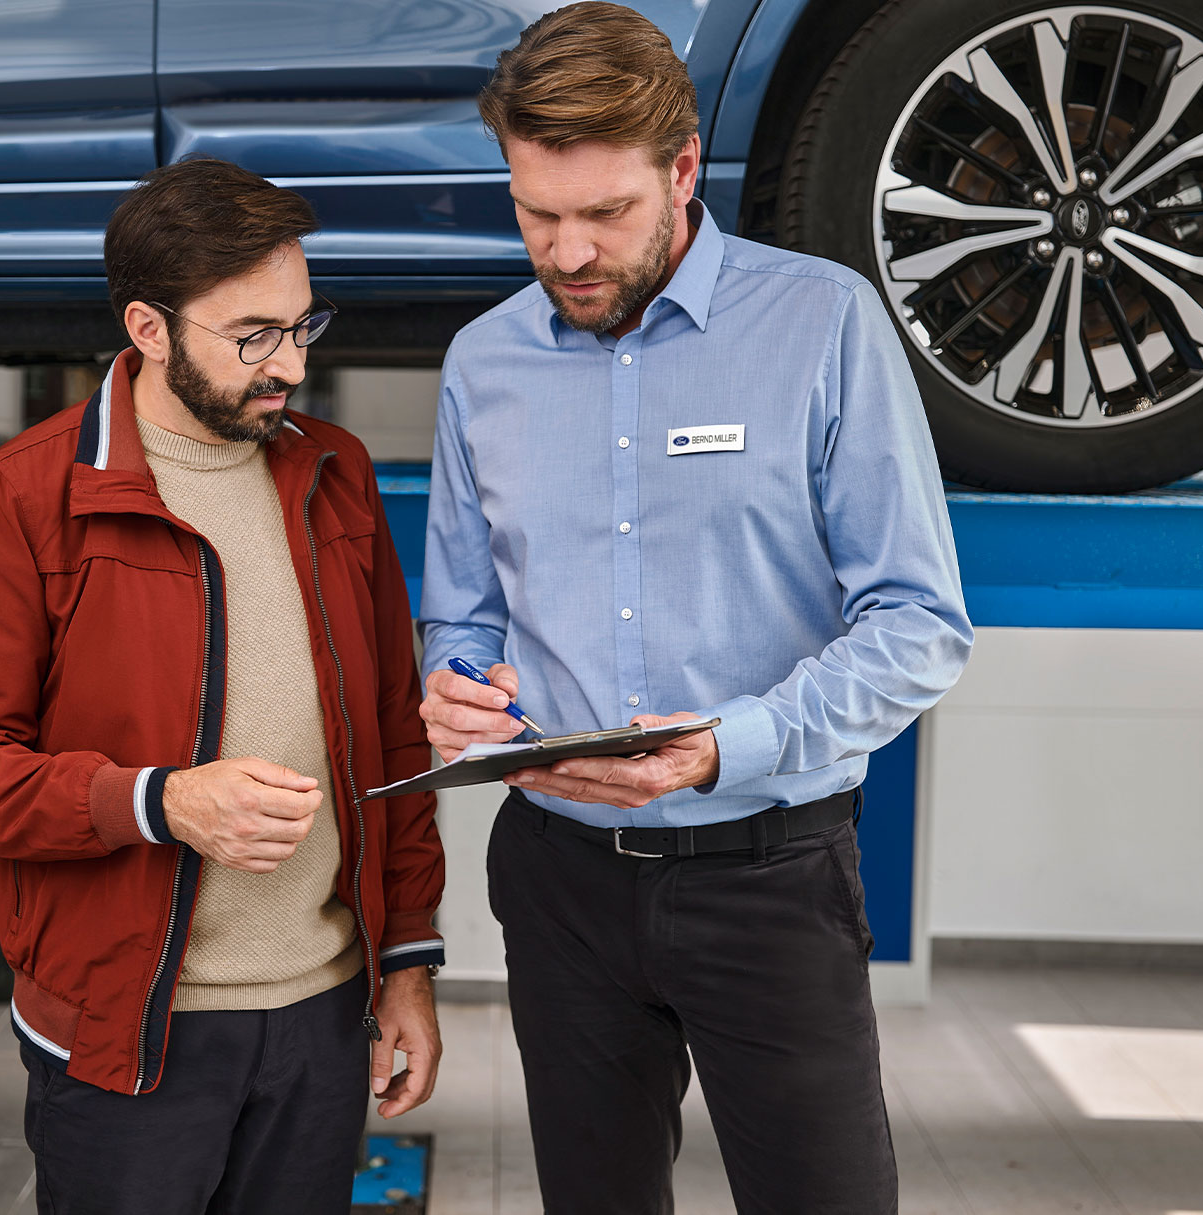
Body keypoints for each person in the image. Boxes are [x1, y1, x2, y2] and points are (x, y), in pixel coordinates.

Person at [416, 5, 974, 1212]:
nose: (567, 255)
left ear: (681, 173)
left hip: (768, 876)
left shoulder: (822, 324)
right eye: (536, 214)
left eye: (605, 215)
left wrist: (727, 748)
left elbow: (920, 623)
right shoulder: (483, 365)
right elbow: (461, 613)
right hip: (558, 884)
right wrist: (457, 683)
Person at [0, 156, 445, 1215]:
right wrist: (160, 801)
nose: (288, 366)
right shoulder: (21, 499)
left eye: (301, 325)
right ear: (149, 329)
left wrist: (408, 964)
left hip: (325, 1020)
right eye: (252, 337)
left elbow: (389, 742)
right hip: (133, 1033)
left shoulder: (336, 472)